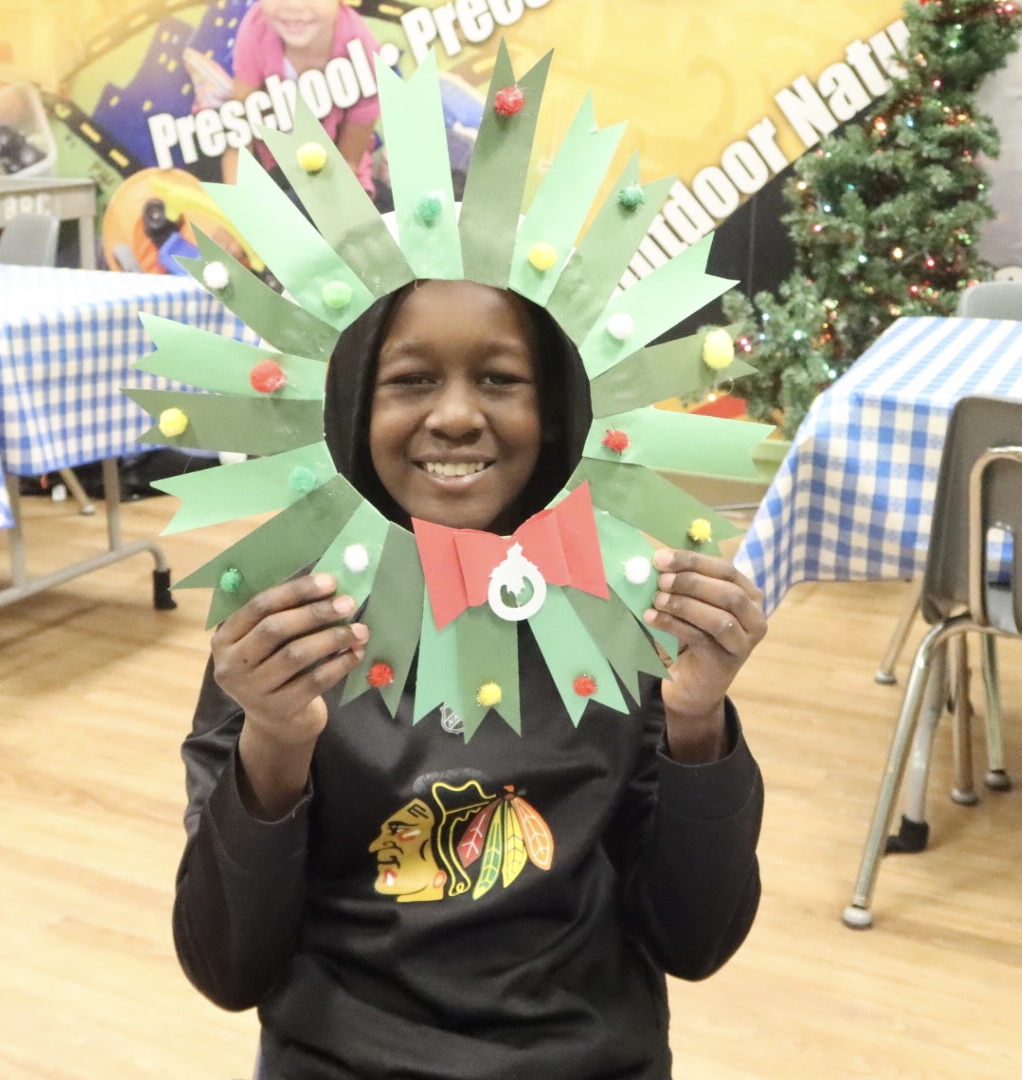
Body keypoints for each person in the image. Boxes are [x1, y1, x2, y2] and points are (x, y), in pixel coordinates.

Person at [173, 274, 767, 1079]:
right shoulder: (284, 633)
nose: (454, 416)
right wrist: (275, 743)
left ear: (556, 406)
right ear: (351, 401)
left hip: (584, 1056)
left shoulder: (628, 610)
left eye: (499, 379)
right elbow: (227, 968)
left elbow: (692, 941)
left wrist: (697, 722)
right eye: (411, 379)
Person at [221, 0, 381, 201]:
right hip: (274, 159)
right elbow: (238, 128)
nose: (293, 6)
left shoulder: (361, 50)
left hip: (335, 164)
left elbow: (349, 161)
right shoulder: (257, 27)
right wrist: (236, 204)